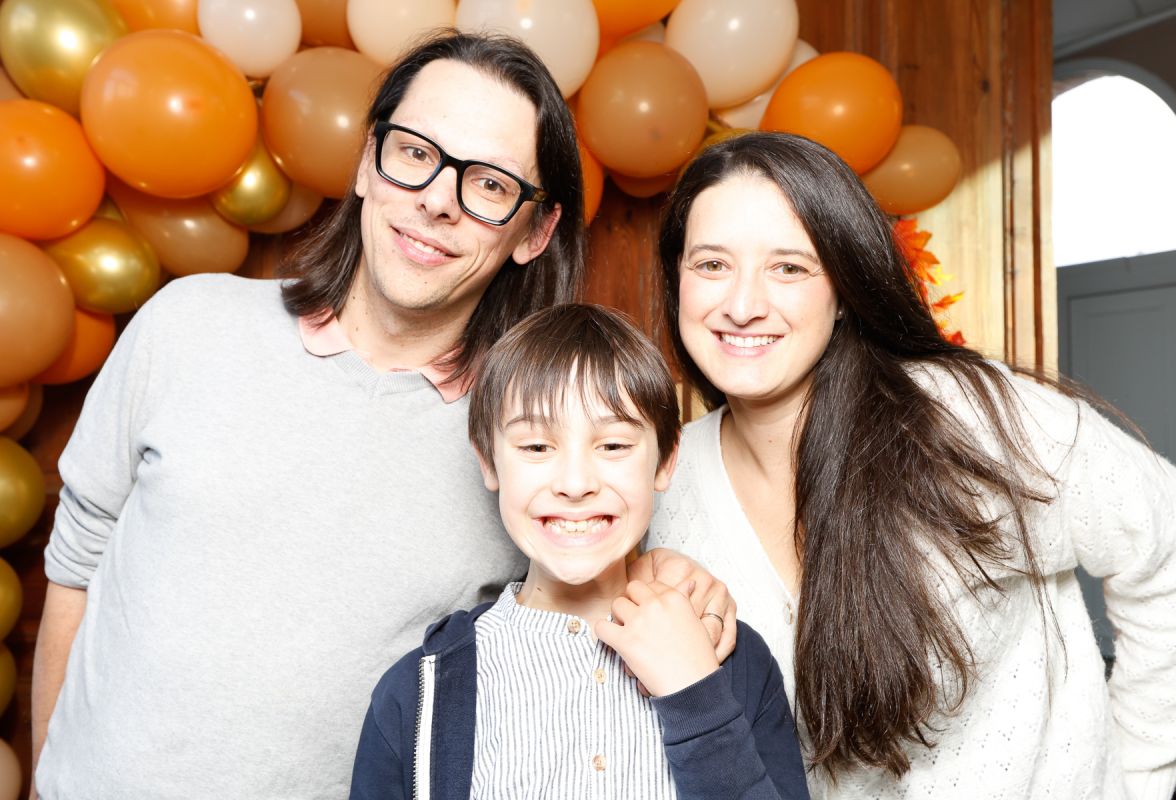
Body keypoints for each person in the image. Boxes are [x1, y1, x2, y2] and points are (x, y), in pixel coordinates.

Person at [31, 33, 731, 800]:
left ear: (534, 232)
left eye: (489, 183)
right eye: (415, 152)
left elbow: (583, 587)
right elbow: (75, 570)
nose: (436, 200)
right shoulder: (186, 323)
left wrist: (669, 573)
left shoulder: (525, 448)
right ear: (368, 160)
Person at [648, 131, 1176, 800]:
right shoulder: (658, 483)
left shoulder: (963, 418)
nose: (742, 305)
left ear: (844, 289)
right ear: (677, 279)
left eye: (789, 268)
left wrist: (1137, 777)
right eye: (712, 264)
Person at [349, 303, 808, 800]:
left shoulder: (734, 663)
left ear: (665, 461)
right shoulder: (421, 691)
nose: (574, 483)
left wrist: (696, 697)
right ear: (489, 462)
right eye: (536, 447)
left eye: (613, 446)